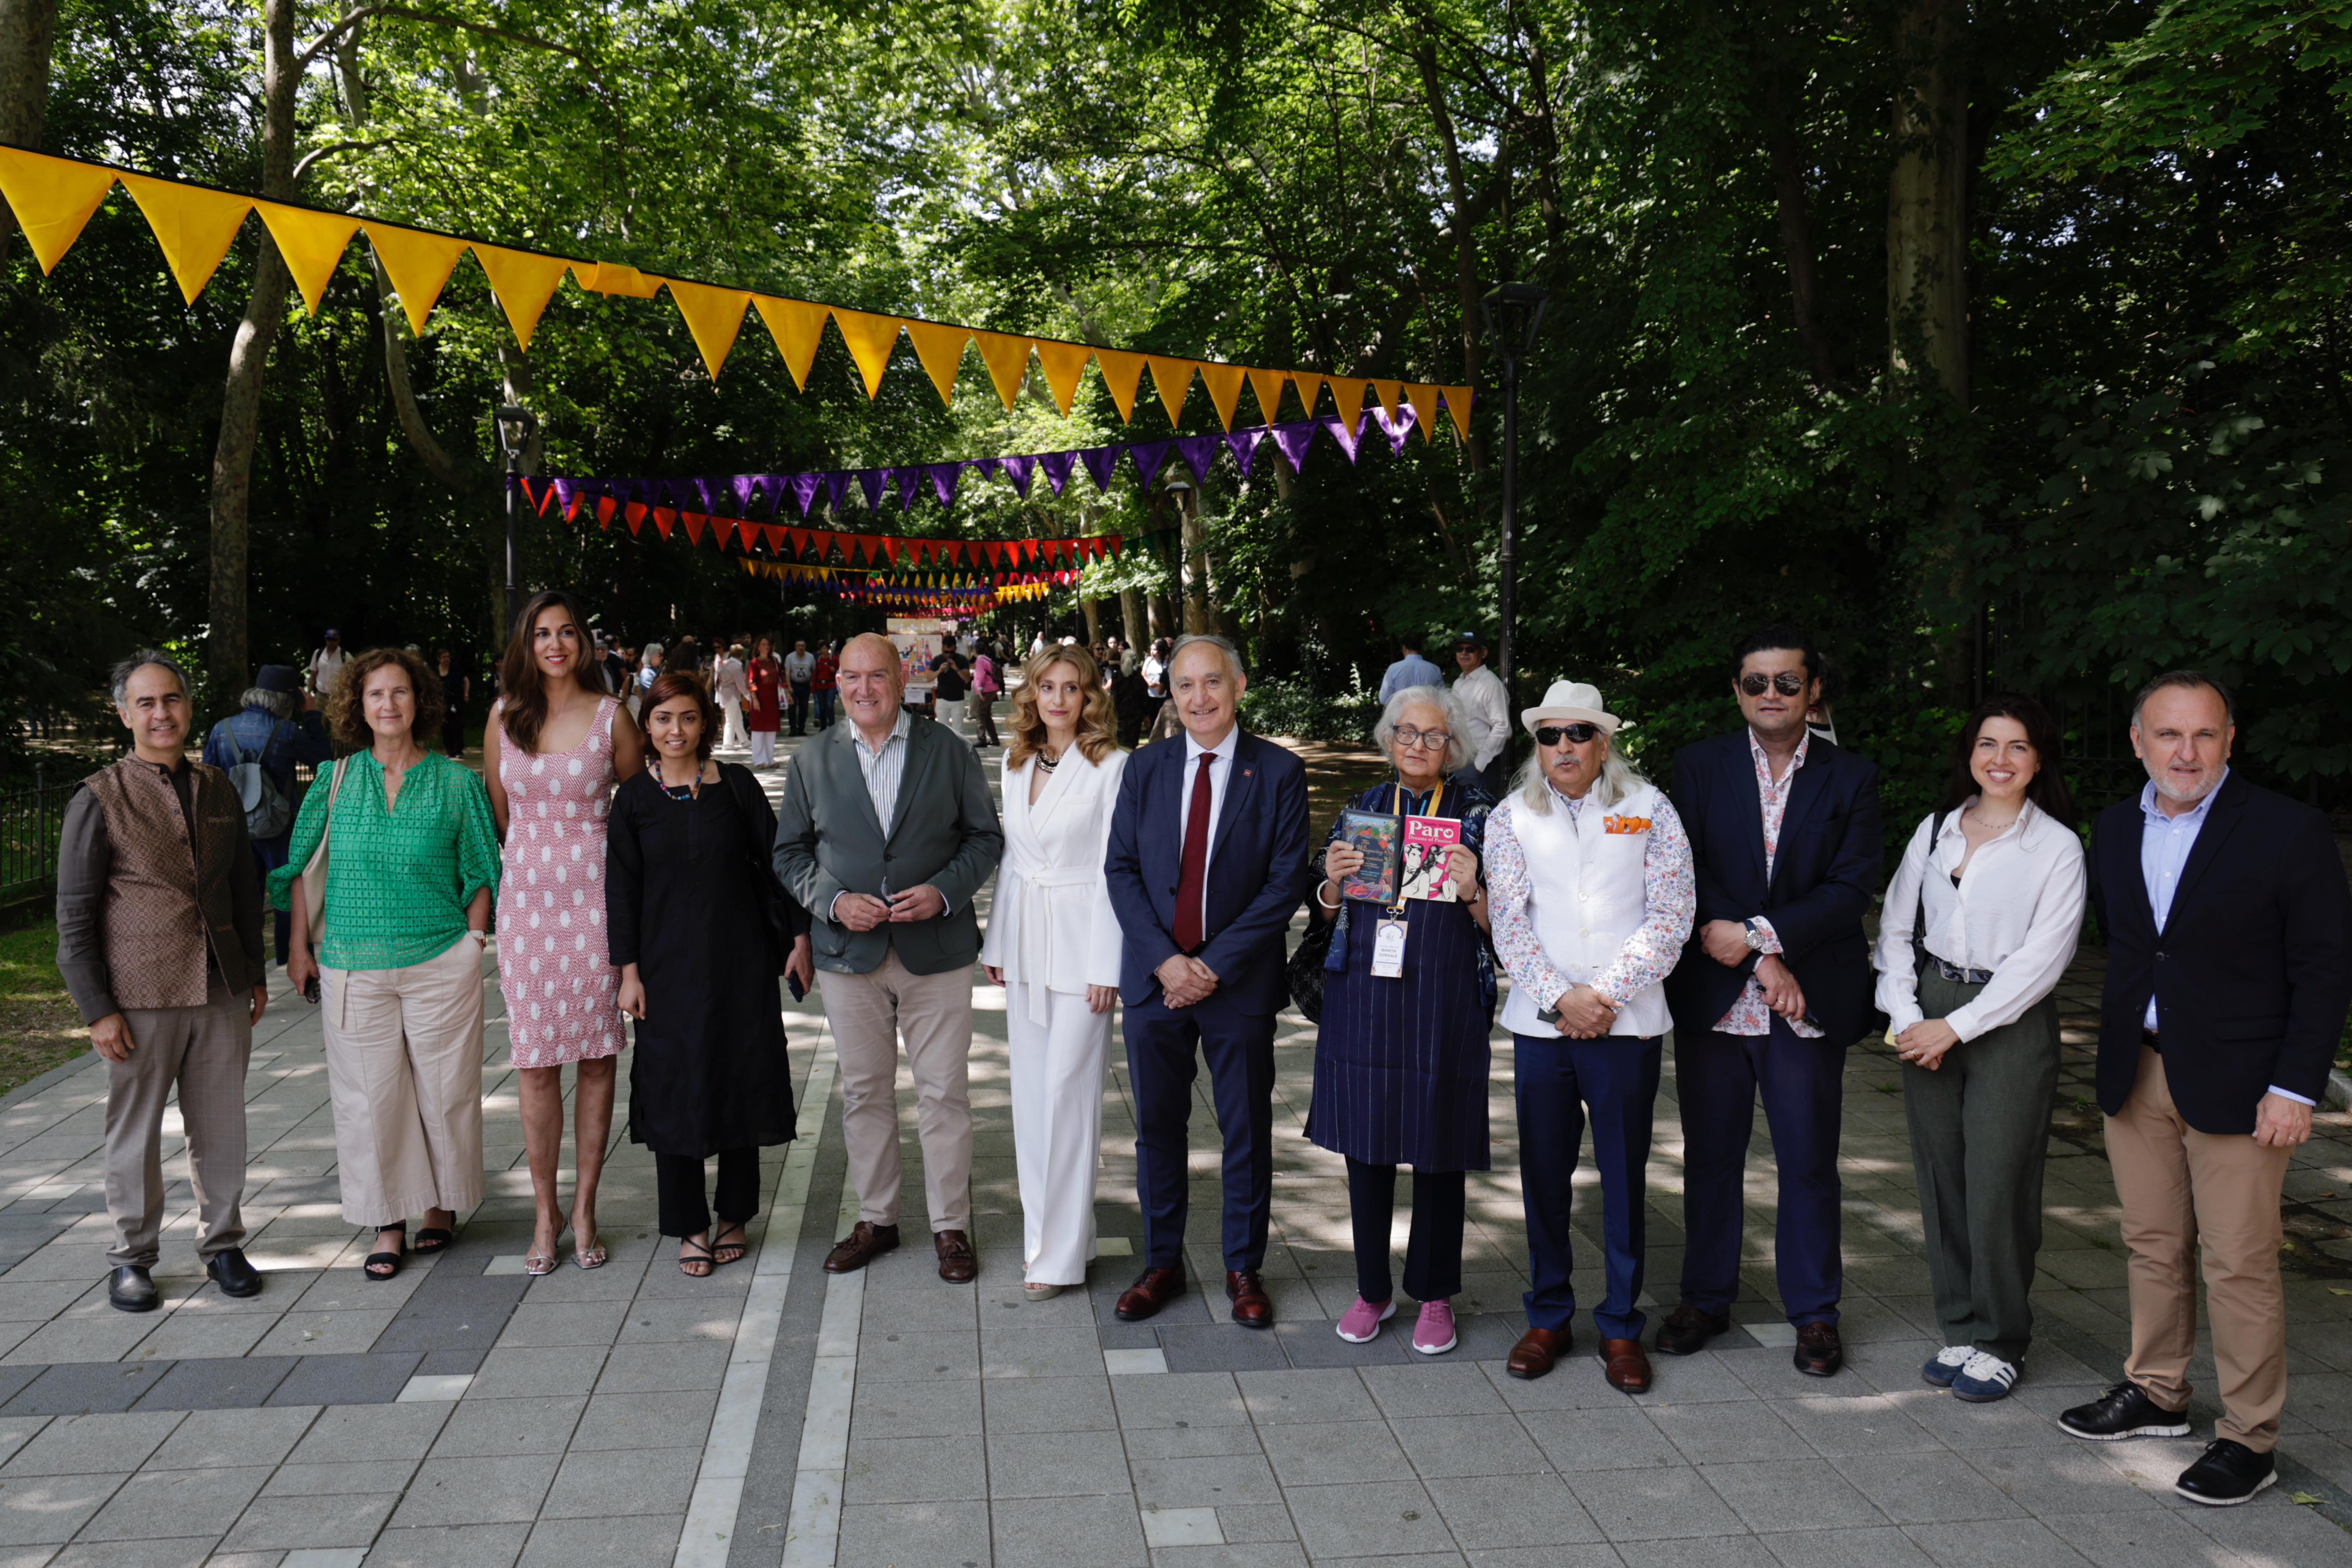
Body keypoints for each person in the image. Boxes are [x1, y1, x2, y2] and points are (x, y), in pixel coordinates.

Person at [2056, 672, 2352, 1505]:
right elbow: (2133, 947)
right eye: (2168, 734)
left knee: (2239, 1262)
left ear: (2229, 739)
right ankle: (2157, 1391)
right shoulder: (2117, 826)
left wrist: (2295, 1085)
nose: (2186, 752)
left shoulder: (2287, 828)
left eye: (2204, 734)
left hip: (2245, 1081)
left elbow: (2325, 967)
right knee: (2152, 1241)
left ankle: (2250, 1436)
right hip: (2139, 1068)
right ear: (2137, 741)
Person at [1661, 624, 1882, 1376]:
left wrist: (1761, 939)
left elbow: (1850, 886)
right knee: (1711, 1156)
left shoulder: (1853, 776)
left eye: (1787, 681)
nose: (1771, 694)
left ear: (1813, 688)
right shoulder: (1698, 766)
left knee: (1809, 1159)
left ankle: (1815, 1312)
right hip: (1717, 994)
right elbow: (1683, 868)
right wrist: (1762, 959)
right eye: (1756, 681)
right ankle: (1705, 1297)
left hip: (1806, 998)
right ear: (1737, 690)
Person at [1874, 695, 2086, 1404]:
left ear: (2039, 758)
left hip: (2008, 1015)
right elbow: (1896, 930)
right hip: (1931, 1000)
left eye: (2018, 746)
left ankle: (2001, 1338)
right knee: (1942, 1174)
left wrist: (1956, 1028)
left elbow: (2043, 962)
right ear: (1969, 752)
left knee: (1999, 1180)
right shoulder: (1936, 828)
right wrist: (1909, 1016)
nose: (2001, 759)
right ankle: (1960, 1324)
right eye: (1988, 744)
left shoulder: (2055, 846)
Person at [1483, 681, 1695, 1391]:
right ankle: (1549, 1314)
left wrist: (1603, 996)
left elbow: (1672, 913)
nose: (1564, 746)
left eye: (1579, 733)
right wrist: (1562, 999)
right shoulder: (1511, 815)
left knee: (1624, 1175)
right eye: (1550, 735)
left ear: (1604, 742)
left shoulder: (1650, 808)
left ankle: (1621, 1324)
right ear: (1537, 745)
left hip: (1624, 1022)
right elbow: (1508, 919)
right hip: (1542, 1028)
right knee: (1544, 1174)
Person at [775, 633, 1005, 1283]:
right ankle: (877, 1218)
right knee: (864, 1092)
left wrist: (944, 891)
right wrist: (833, 901)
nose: (864, 688)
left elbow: (985, 837)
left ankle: (950, 1225)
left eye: (876, 675)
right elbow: (789, 852)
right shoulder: (812, 758)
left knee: (944, 1093)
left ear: (902, 678)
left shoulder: (948, 750)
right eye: (851, 676)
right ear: (836, 680)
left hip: (938, 951)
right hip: (849, 954)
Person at [1105, 635, 1311, 1329]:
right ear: (1170, 692)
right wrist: (1166, 962)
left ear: (1239, 685)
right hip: (1154, 983)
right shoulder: (1144, 768)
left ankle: (1243, 1267)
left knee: (1246, 1130)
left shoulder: (1278, 771)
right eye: (1185, 684)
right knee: (1158, 1129)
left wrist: (1212, 965)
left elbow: (1284, 882)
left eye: (1213, 682)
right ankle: (1161, 1263)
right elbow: (1121, 869)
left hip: (1239, 984)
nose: (1200, 697)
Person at [276, 647, 501, 1280]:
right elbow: (302, 868)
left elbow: (483, 867)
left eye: (400, 691)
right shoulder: (335, 780)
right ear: (358, 705)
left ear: (419, 701)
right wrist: (299, 949)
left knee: (444, 1092)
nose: (389, 704)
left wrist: (473, 943)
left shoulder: (456, 782)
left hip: (441, 959)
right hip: (353, 962)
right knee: (373, 1100)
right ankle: (387, 1220)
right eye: (376, 694)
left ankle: (440, 1204)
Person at [57, 652, 269, 1312]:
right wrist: (97, 1008)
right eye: (145, 703)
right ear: (125, 714)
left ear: (189, 706)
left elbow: (243, 887)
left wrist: (254, 972)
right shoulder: (99, 797)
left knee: (222, 1125)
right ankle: (132, 1258)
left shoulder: (218, 787)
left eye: (171, 699)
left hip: (220, 985)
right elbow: (74, 915)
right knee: (135, 1130)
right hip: (138, 996)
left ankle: (224, 1244)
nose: (161, 714)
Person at [1307, 685, 1495, 1356]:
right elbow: (1323, 908)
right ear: (1388, 740)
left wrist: (1474, 890)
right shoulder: (1361, 807)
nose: (1418, 745)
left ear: (1453, 746)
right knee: (1366, 1142)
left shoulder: (1479, 815)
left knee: (1439, 1141)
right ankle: (1371, 1289)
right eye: (1406, 733)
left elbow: (1507, 925)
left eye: (1433, 735)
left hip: (1444, 996)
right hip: (1365, 993)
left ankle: (1435, 1293)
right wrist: (1331, 883)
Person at [611, 672, 813, 1277]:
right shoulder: (633, 800)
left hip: (739, 964)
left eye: (688, 717)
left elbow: (780, 864)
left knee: (739, 1079)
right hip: (664, 970)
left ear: (706, 723)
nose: (676, 730)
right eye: (663, 718)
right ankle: (689, 1223)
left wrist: (799, 938)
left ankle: (734, 1214)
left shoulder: (737, 786)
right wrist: (628, 973)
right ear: (647, 727)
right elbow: (621, 892)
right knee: (674, 1087)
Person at [485, 591, 645, 1275]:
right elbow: (501, 815)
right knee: (535, 1062)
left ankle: (585, 1207)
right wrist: (536, 864)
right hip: (527, 907)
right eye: (542, 634)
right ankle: (545, 1212)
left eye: (567, 632)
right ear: (526, 645)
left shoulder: (613, 717)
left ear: (584, 642)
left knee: (599, 1058)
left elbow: (639, 812)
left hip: (597, 903)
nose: (555, 644)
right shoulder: (504, 715)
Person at [980, 645, 1127, 1300]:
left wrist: (1107, 962)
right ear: (1031, 695)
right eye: (1048, 687)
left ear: (1090, 696)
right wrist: (997, 941)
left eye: (1073, 687)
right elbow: (1014, 860)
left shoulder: (1112, 766)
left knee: (1069, 1098)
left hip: (1082, 946)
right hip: (1025, 944)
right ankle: (1049, 1237)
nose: (1059, 699)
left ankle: (1060, 1257)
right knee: (1032, 1100)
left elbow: (1116, 868)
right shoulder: (1016, 762)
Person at [202, 664, 333, 966]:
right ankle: (294, 964)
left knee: (244, 900)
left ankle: (245, 968)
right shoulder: (287, 732)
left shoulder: (222, 730)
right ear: (288, 701)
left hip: (236, 830)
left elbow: (208, 782)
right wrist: (312, 715)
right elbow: (325, 762)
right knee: (288, 896)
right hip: (281, 829)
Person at [1451, 632, 1510, 796]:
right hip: (1459, 763)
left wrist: (1478, 766)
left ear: (1483, 653)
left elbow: (1503, 727)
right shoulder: (1459, 683)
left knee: (1479, 812)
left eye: (1470, 649)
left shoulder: (1491, 683)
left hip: (1481, 766)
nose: (1464, 653)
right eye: (1460, 649)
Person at [746, 637, 782, 767]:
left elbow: (781, 678)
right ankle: (759, 760)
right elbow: (751, 682)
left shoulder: (775, 661)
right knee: (758, 730)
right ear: (758, 647)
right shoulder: (755, 663)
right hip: (760, 699)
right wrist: (755, 699)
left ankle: (770, 759)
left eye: (768, 644)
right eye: (764, 644)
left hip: (773, 699)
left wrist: (787, 694)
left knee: (771, 730)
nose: (767, 647)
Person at [1378, 633, 1443, 704]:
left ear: (1404, 649)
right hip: (1428, 710)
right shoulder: (1435, 669)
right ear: (1422, 649)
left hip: (1402, 710)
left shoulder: (1394, 669)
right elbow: (1443, 698)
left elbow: (1384, 699)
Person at [714, 643, 750, 752]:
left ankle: (744, 741)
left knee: (737, 718)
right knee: (731, 719)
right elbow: (741, 684)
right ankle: (727, 743)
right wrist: (749, 696)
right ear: (741, 655)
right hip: (732, 696)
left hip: (725, 695)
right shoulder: (736, 667)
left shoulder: (726, 664)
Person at [435, 649, 471, 757]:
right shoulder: (435, 671)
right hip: (442, 702)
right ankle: (449, 751)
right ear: (439, 659)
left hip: (456, 702)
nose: (446, 659)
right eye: (444, 657)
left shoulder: (456, 669)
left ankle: (458, 750)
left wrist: (466, 694)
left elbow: (466, 680)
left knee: (457, 725)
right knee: (445, 726)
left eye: (448, 657)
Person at [968, 642, 1001, 749]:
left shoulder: (979, 661)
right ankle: (995, 739)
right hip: (993, 688)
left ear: (975, 651)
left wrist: (980, 691)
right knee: (986, 715)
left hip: (986, 689)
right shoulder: (987, 659)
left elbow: (980, 676)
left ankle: (982, 739)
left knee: (980, 714)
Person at [932, 649, 968, 739]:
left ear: (955, 649)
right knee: (943, 729)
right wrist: (940, 670)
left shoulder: (962, 659)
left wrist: (956, 668)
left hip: (958, 699)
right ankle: (944, 747)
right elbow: (929, 678)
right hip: (942, 699)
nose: (949, 655)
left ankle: (958, 747)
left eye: (952, 652)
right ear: (943, 650)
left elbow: (967, 678)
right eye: (946, 652)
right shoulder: (938, 659)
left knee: (958, 730)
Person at [784, 639, 816, 736]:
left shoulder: (811, 657)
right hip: (794, 684)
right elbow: (787, 673)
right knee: (792, 708)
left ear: (805, 647)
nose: (801, 648)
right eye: (799, 646)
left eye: (803, 646)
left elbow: (814, 671)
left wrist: (812, 684)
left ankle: (801, 729)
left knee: (804, 709)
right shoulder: (790, 657)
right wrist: (789, 686)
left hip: (806, 685)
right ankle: (793, 729)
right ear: (795, 647)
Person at [307, 629, 345, 698]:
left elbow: (350, 678)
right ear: (326, 639)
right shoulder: (318, 653)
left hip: (337, 696)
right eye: (329, 639)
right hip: (320, 695)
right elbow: (313, 675)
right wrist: (309, 693)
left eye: (334, 640)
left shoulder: (345, 656)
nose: (331, 642)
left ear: (339, 640)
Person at [633, 643, 665, 721]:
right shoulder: (647, 673)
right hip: (651, 711)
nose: (662, 658)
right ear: (651, 656)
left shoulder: (654, 670)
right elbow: (658, 692)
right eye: (660, 655)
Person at [813, 641, 839, 730]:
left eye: (825, 648)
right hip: (820, 686)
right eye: (822, 648)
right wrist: (813, 689)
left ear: (828, 649)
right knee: (822, 707)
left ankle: (832, 727)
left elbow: (840, 672)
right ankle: (823, 728)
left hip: (831, 686)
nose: (824, 650)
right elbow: (816, 674)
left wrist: (834, 670)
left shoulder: (834, 659)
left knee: (830, 706)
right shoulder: (819, 660)